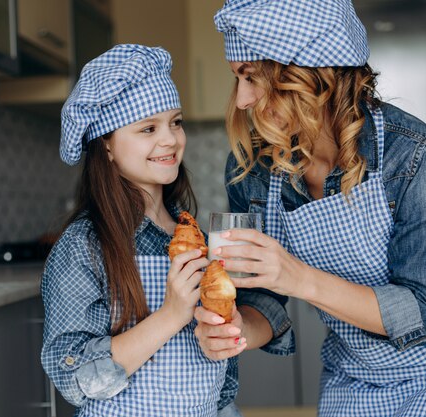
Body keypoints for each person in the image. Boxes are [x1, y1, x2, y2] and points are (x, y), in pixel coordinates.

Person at [194, 1, 426, 416]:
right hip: (357, 375)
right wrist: (239, 328)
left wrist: (299, 278)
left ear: (314, 75)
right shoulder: (253, 169)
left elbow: (423, 313)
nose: (242, 99)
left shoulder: (412, 154)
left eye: (254, 78)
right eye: (236, 78)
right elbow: (262, 296)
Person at [41, 44, 261, 416]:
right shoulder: (84, 245)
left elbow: (221, 377)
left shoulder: (195, 238)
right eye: (148, 128)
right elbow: (75, 378)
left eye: (175, 122)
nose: (170, 139)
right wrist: (172, 314)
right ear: (107, 145)